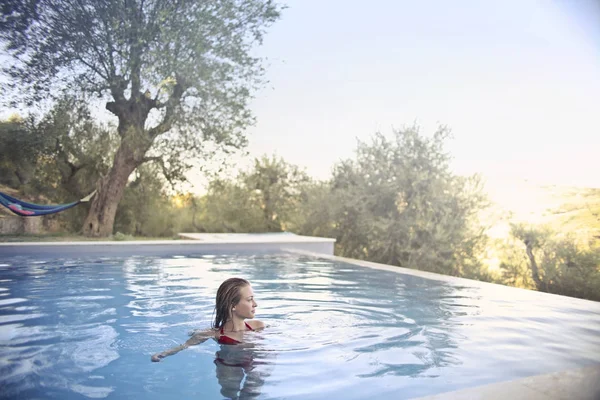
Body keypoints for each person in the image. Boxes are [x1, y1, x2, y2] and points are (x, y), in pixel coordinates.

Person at [151, 277, 265, 362]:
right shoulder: (214, 334)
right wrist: (162, 354)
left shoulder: (258, 326)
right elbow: (184, 346)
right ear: (233, 306)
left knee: (253, 388)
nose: (255, 304)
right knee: (230, 392)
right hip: (228, 365)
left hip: (251, 362)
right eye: (250, 300)